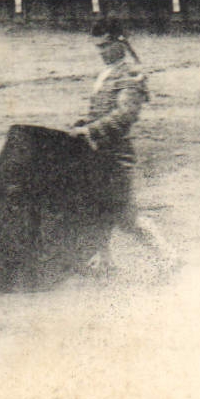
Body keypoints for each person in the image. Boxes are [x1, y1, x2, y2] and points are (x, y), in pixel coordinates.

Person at [72, 19, 166, 269]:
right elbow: (103, 111)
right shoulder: (110, 73)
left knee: (125, 215)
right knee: (95, 207)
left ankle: (168, 257)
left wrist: (89, 129)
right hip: (97, 150)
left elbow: (125, 115)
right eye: (98, 47)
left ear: (120, 43)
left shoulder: (130, 75)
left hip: (115, 154)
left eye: (105, 46)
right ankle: (104, 260)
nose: (101, 52)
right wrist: (84, 123)